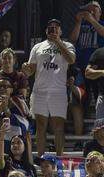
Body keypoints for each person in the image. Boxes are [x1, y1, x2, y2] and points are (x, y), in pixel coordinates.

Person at [22, 19, 76, 155]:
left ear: (61, 31)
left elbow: (71, 60)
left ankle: (59, 158)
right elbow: (31, 71)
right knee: (41, 126)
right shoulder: (37, 46)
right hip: (39, 91)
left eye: (56, 28)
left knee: (58, 127)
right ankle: (41, 157)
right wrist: (25, 69)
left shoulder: (68, 45)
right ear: (46, 31)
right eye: (50, 28)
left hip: (58, 91)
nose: (53, 30)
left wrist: (58, 41)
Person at [70, 1, 104, 74]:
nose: (91, 13)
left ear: (100, 13)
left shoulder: (102, 24)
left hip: (97, 65)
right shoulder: (81, 24)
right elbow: (73, 39)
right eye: (89, 11)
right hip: (80, 64)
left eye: (94, 10)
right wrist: (78, 22)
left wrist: (91, 19)